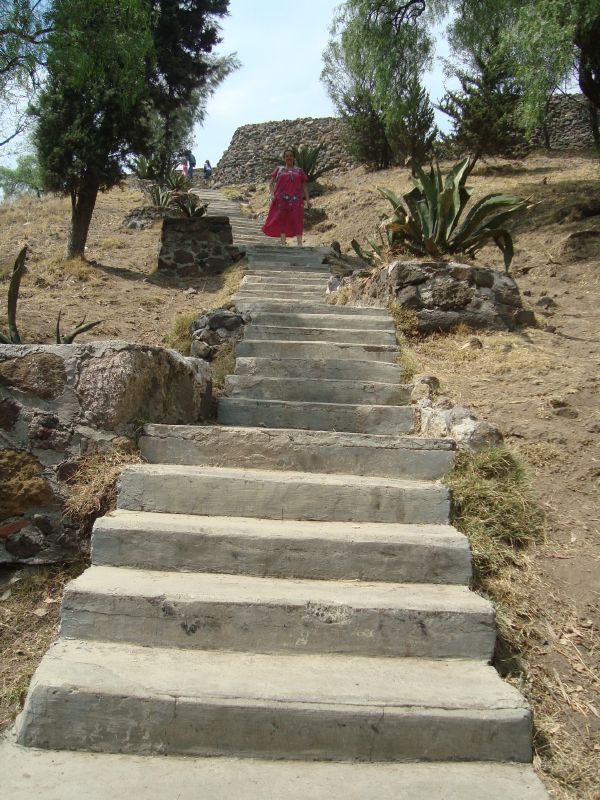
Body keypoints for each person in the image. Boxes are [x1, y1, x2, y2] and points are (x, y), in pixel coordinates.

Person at [262, 148, 311, 246]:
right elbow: (271, 183)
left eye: (291, 156)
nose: (289, 158)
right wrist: (272, 194)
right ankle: (283, 243)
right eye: (287, 156)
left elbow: (304, 186)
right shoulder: (279, 170)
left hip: (296, 199)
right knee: (282, 220)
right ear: (284, 158)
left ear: (294, 158)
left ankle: (300, 244)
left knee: (297, 219)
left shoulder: (299, 171)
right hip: (281, 199)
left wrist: (308, 200)